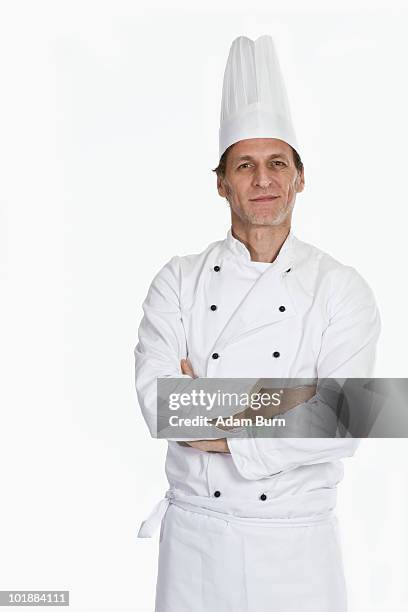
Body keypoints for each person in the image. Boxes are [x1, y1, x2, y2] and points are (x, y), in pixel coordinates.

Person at [134, 35, 381, 612]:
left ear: (300, 176)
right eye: (245, 165)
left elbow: (341, 423)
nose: (263, 180)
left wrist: (206, 404)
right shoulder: (177, 280)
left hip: (297, 548)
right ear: (222, 182)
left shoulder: (342, 288)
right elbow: (160, 406)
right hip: (197, 544)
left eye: (277, 163)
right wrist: (289, 404)